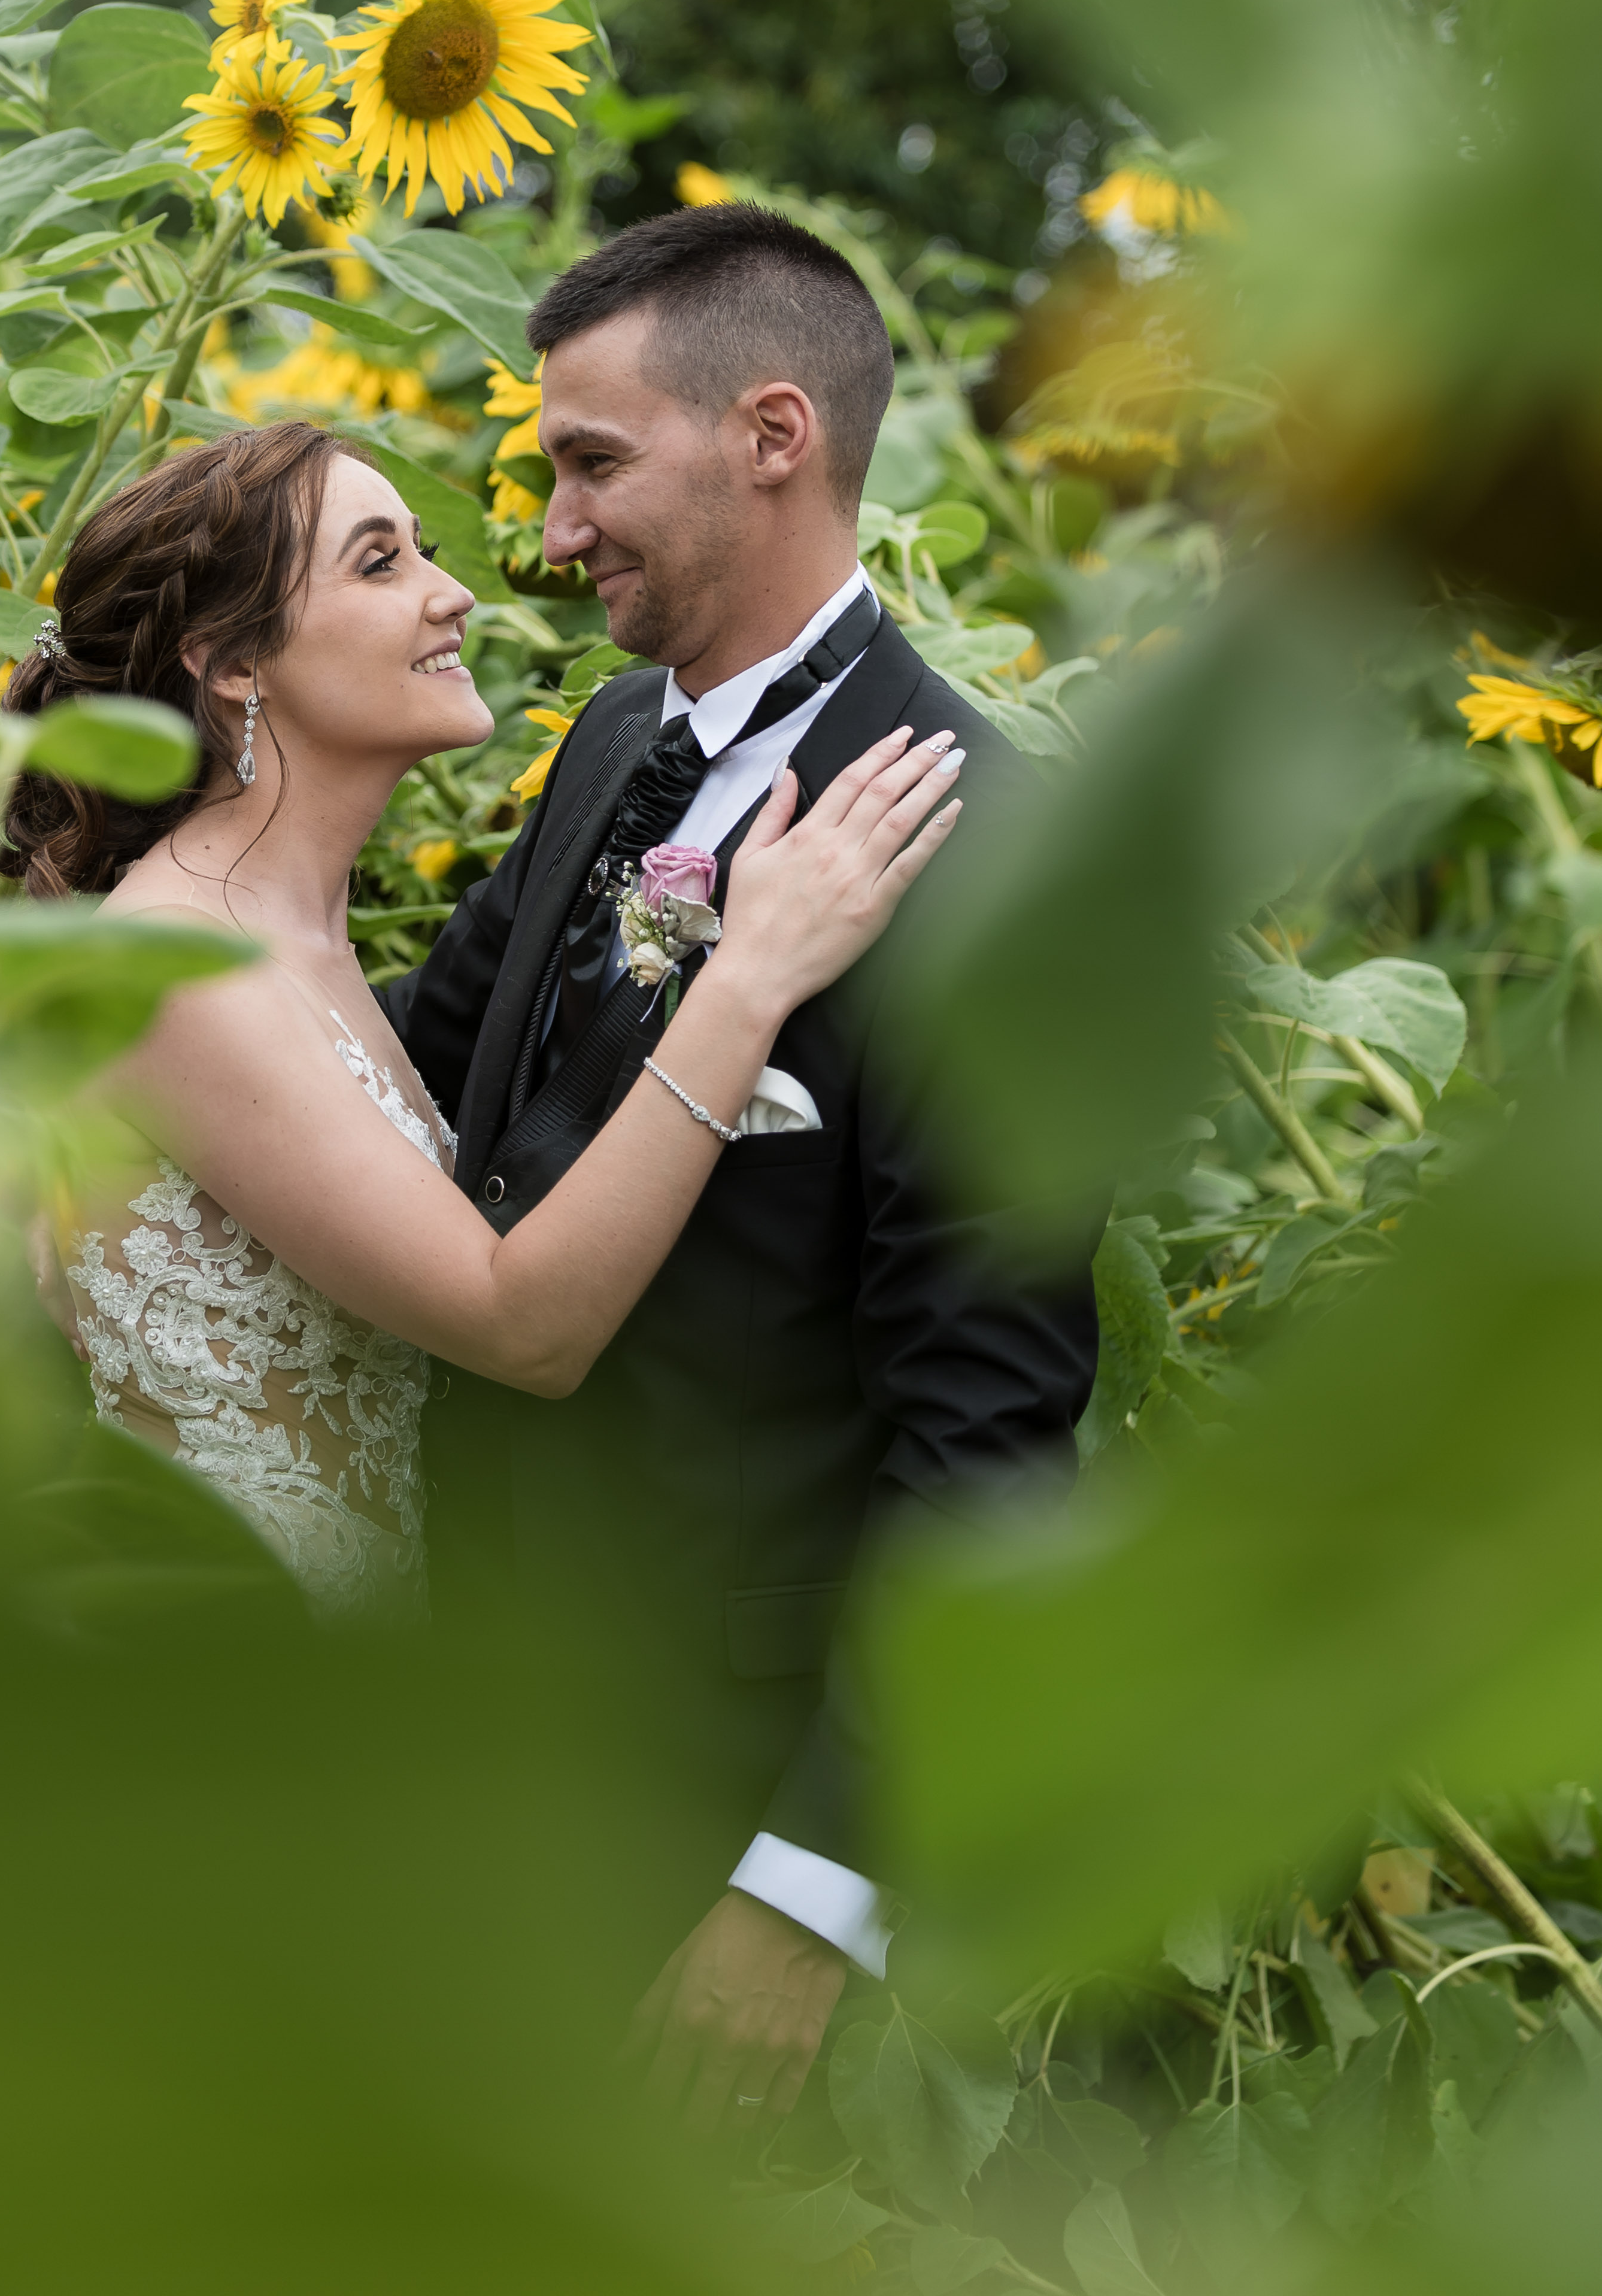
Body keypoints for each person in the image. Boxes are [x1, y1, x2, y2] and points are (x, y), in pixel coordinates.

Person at [381, 201, 1101, 2139]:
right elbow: (427, 1061)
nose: (546, 530)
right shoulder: (615, 736)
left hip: (718, 1801)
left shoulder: (987, 853)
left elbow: (993, 1427)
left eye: (589, 464)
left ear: (771, 433)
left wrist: (805, 1885)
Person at [3, 418, 963, 1626]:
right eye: (378, 563)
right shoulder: (178, 968)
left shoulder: (287, 932)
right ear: (234, 664)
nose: (453, 595)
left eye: (425, 548)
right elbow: (521, 1328)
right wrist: (749, 978)